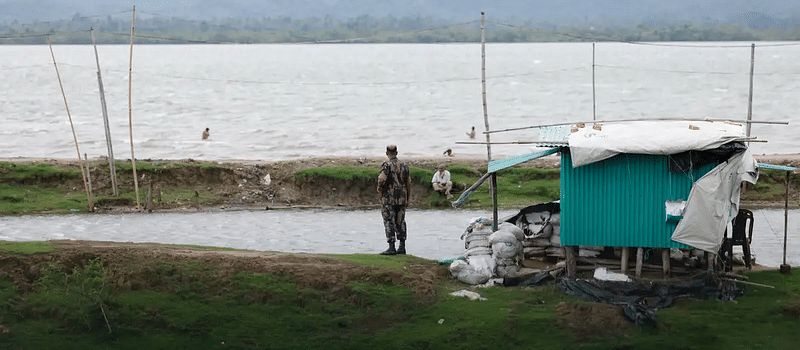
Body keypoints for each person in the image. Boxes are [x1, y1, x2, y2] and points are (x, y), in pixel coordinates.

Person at [376, 144, 411, 255]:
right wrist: (408, 198)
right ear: (396, 153)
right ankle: (402, 246)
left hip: (389, 199)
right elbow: (408, 183)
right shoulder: (404, 165)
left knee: (389, 221)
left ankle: (391, 247)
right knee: (400, 222)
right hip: (401, 198)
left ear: (387, 153)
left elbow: (382, 179)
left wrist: (379, 189)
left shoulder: (386, 165)